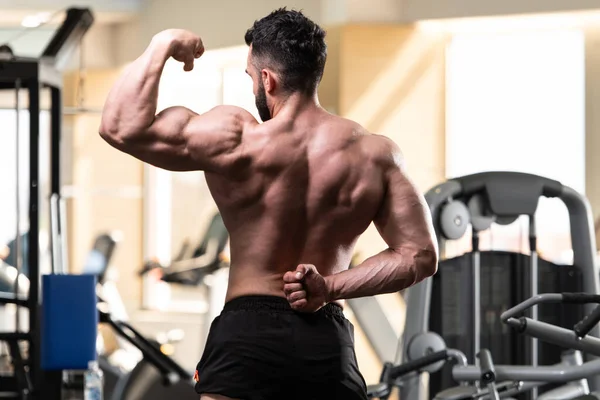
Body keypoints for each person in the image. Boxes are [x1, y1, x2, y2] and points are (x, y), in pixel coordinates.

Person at [99, 8, 438, 400]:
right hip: (324, 338)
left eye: (249, 77)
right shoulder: (374, 154)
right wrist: (328, 287)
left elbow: (118, 126)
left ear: (267, 78)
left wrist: (162, 45)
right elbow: (420, 256)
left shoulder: (235, 138)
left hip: (246, 335)